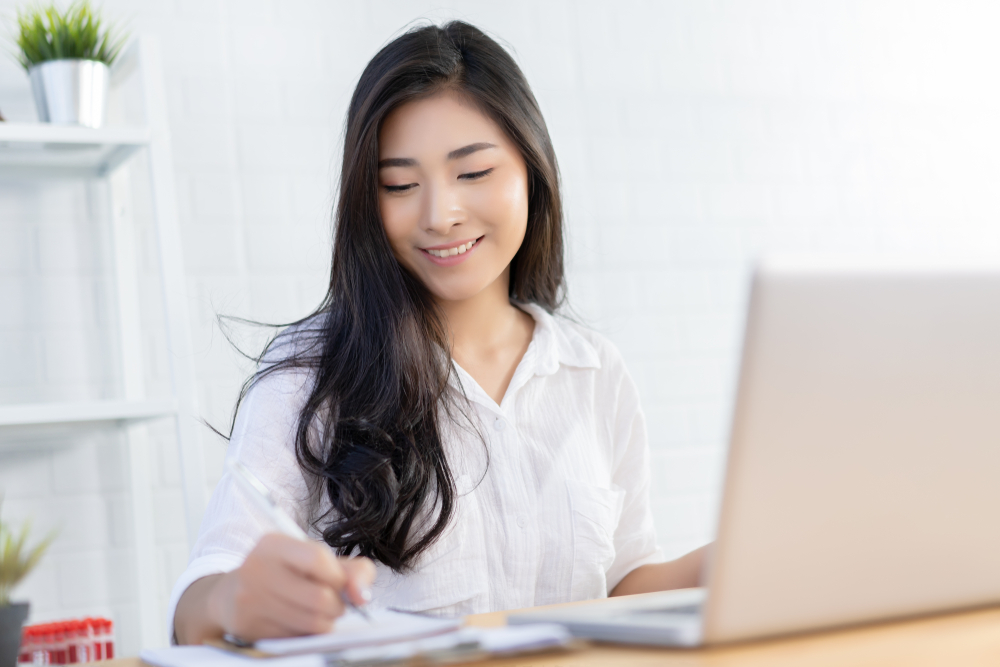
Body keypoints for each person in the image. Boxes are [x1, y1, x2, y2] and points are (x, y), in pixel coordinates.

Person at [170, 20, 707, 646]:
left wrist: (733, 562)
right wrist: (234, 598)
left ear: (531, 170)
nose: (440, 215)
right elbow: (196, 609)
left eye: (473, 173)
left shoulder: (592, 371)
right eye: (399, 185)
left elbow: (619, 585)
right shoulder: (310, 371)